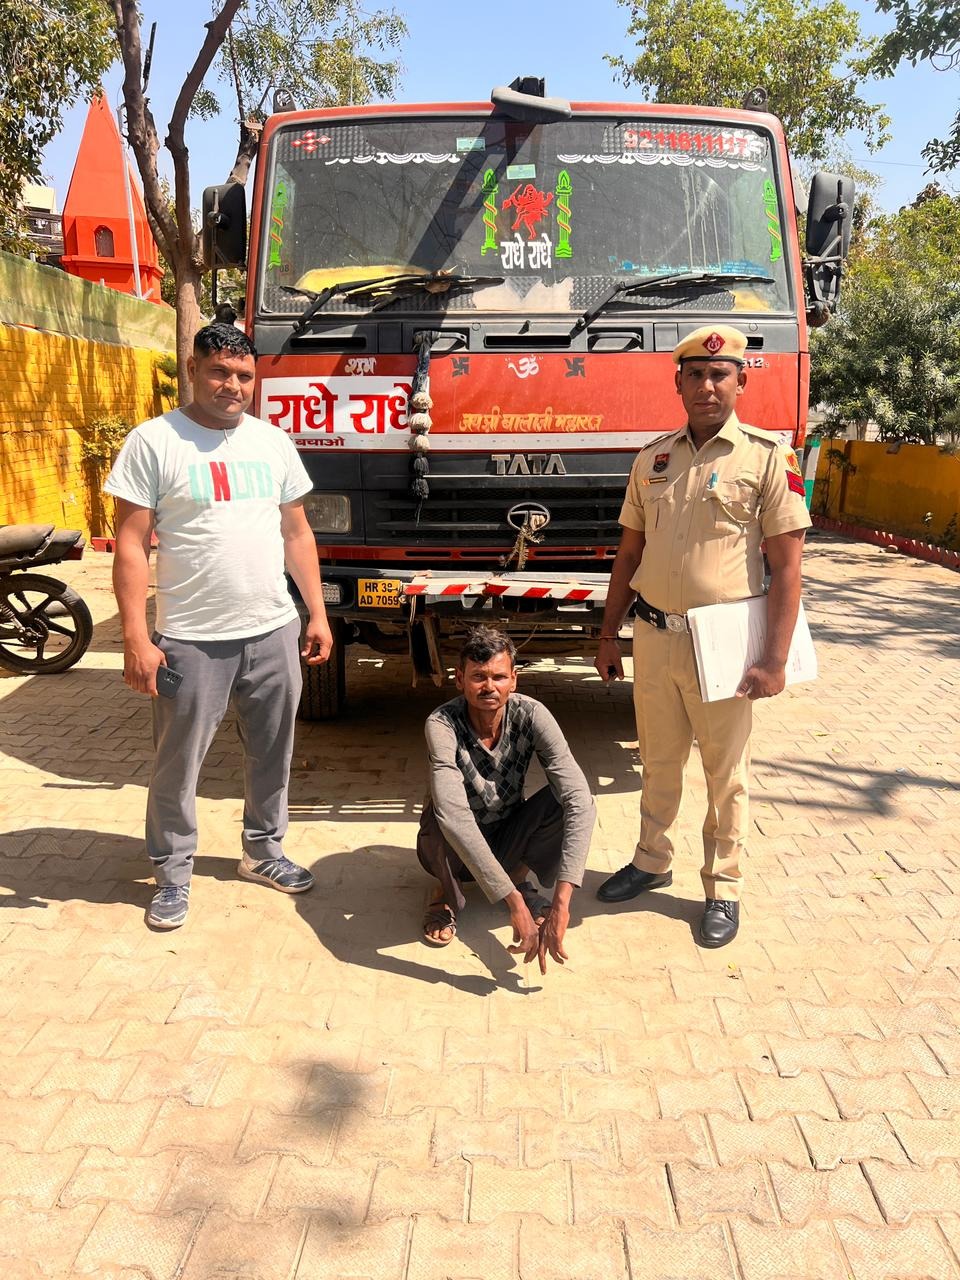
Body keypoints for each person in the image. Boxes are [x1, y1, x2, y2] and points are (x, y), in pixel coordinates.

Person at [105, 323, 332, 930]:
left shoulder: (273, 442)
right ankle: (171, 873)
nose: (233, 386)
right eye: (219, 372)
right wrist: (136, 637)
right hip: (190, 638)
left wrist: (315, 612)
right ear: (192, 370)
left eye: (244, 376)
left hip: (273, 629)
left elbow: (296, 533)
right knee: (177, 764)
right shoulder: (154, 442)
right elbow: (131, 545)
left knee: (273, 752)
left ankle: (263, 851)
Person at [594, 324, 811, 947]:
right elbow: (629, 553)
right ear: (679, 383)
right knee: (658, 760)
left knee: (725, 773)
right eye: (696, 374)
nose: (708, 385)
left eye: (721, 375)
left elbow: (787, 565)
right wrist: (608, 634)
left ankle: (723, 887)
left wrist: (774, 660)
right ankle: (651, 860)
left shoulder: (768, 458)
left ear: (742, 382)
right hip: (654, 636)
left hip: (723, 646)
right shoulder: (652, 460)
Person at [417, 626, 596, 973]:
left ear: (514, 679)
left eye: (499, 677)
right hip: (452, 850)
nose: (489, 687)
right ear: (459, 679)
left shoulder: (532, 715)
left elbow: (579, 799)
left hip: (507, 835)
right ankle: (448, 894)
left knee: (569, 800)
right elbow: (453, 814)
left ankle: (516, 877)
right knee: (441, 816)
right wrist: (514, 904)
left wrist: (562, 903)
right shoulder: (442, 723)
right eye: (478, 677)